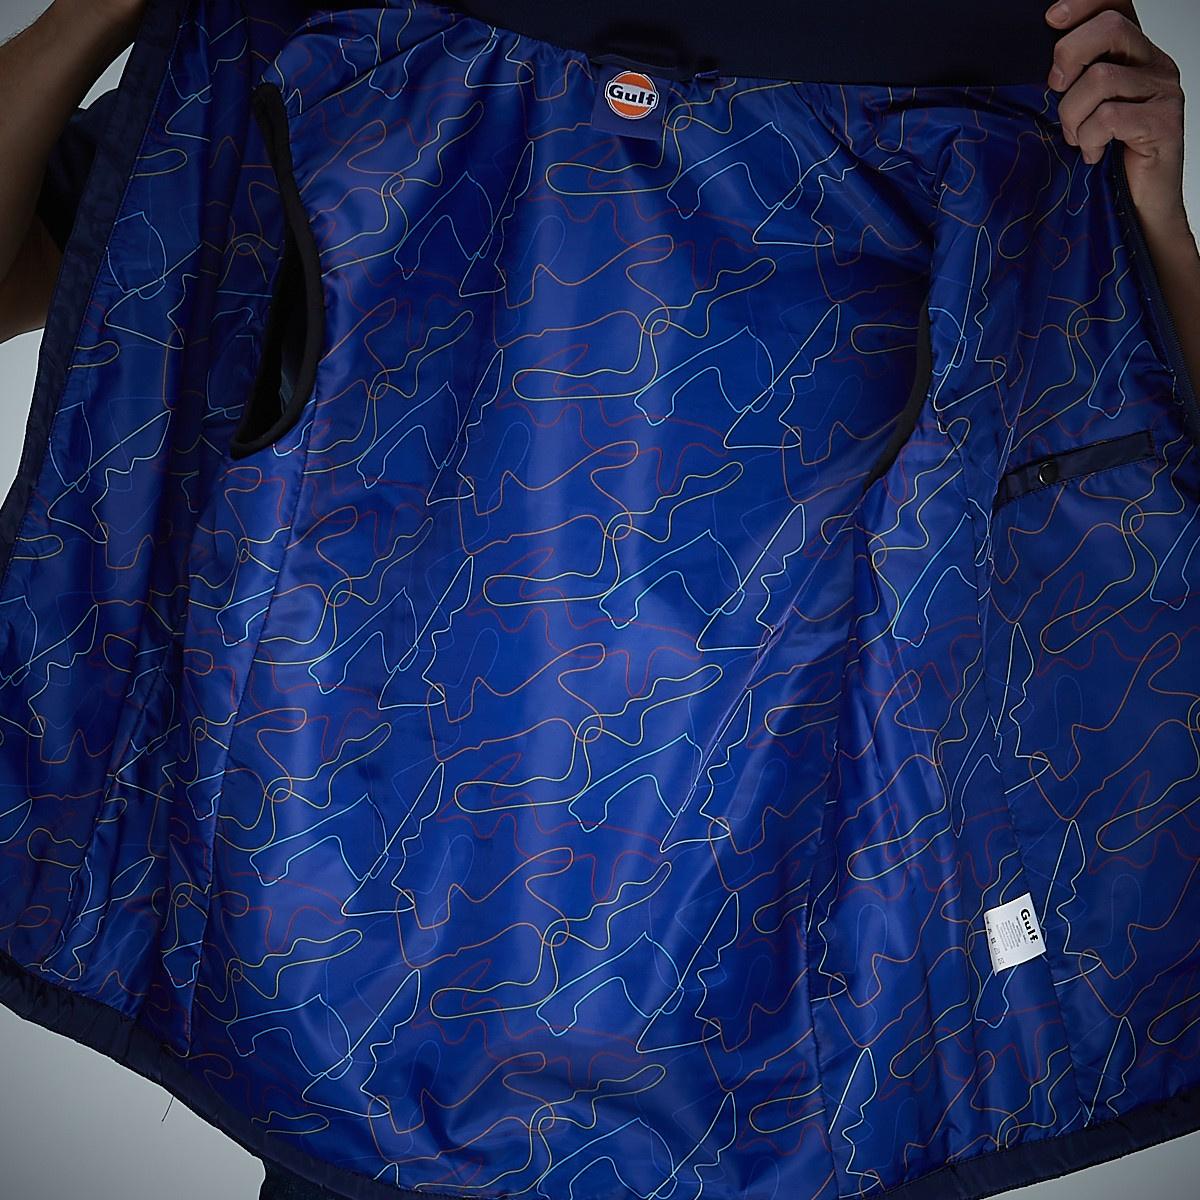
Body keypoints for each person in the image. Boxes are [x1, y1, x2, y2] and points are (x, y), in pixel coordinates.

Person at [0, 2, 1197, 1199]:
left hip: (761, 1058)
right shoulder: (358, 44)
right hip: (379, 1023)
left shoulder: (961, 82)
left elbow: (1110, 527)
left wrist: (1150, 224)